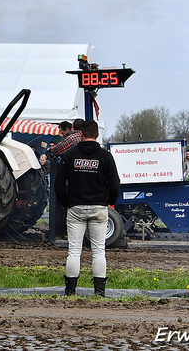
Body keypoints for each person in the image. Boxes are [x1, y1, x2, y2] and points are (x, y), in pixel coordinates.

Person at [54, 120, 120, 298]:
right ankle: (99, 291)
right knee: (99, 250)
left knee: (74, 250)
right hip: (99, 206)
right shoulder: (106, 156)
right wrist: (109, 202)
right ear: (97, 135)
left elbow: (58, 184)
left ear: (80, 135)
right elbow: (115, 184)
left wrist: (66, 203)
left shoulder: (70, 155)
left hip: (76, 207)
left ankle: (70, 290)